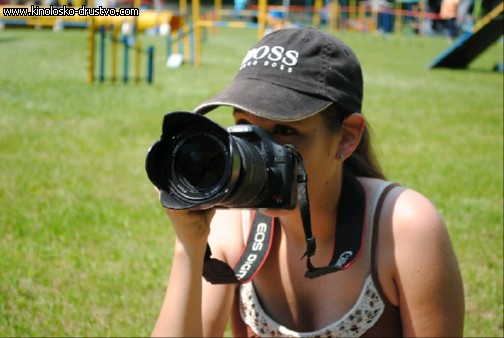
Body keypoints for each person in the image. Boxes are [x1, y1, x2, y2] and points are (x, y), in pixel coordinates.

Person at [151, 27, 465, 337]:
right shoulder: (234, 227)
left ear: (346, 137)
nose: (256, 152)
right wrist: (190, 244)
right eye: (244, 125)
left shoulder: (403, 229)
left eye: (284, 131)